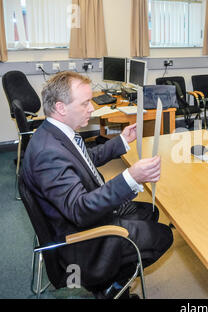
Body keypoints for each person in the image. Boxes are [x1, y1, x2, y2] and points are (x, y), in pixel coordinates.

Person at [21, 71, 173, 299]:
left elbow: (84, 159)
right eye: (85, 104)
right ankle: (110, 288)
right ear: (61, 108)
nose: (92, 108)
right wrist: (130, 176)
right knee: (163, 236)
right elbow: (80, 210)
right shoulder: (47, 154)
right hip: (82, 239)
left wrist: (121, 140)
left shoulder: (54, 134)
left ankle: (112, 278)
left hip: (85, 212)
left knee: (151, 211)